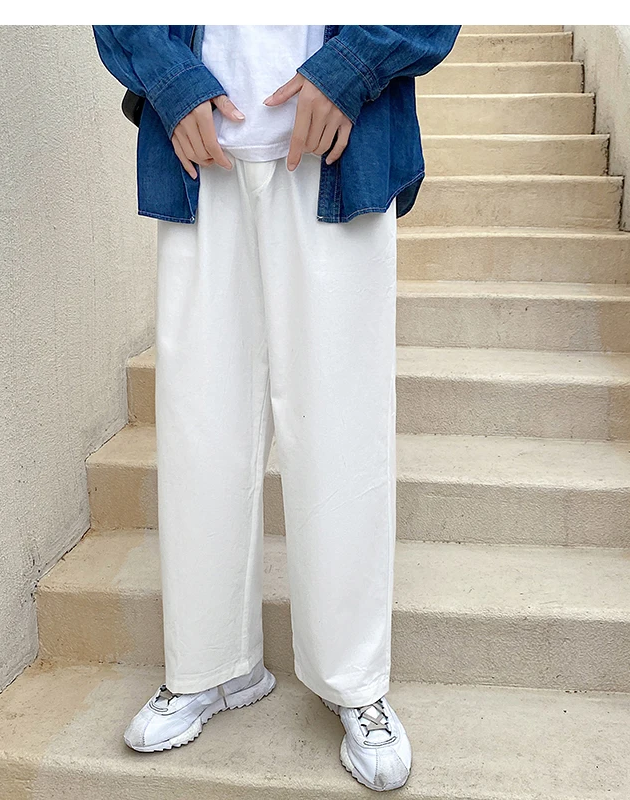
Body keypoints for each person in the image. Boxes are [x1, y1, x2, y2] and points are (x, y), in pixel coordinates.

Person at [92, 24, 460, 792]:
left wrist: (353, 66)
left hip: (340, 145)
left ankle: (355, 681)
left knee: (341, 430)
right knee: (199, 427)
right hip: (202, 152)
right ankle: (210, 666)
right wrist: (170, 81)